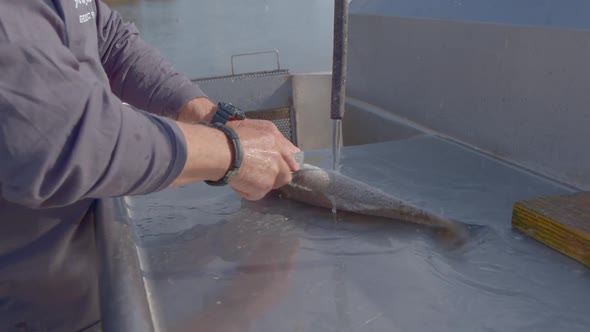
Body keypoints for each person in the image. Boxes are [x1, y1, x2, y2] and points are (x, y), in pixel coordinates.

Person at [0, 1, 300, 331]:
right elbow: (59, 141)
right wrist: (232, 154)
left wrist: (210, 117)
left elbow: (106, 38)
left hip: (97, 280)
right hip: (29, 310)